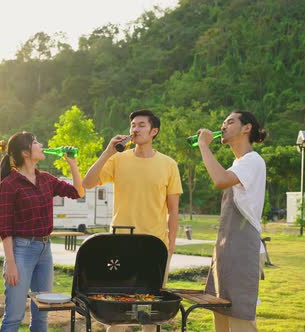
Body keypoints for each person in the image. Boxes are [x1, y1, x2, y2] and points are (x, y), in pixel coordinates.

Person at [82, 109, 182, 332]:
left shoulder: (169, 164)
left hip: (155, 244)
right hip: (120, 242)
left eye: (141, 125)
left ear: (154, 131)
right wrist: (107, 152)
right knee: (119, 309)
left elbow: (173, 210)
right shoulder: (117, 159)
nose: (135, 129)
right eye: (133, 125)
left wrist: (171, 244)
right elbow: (87, 183)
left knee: (151, 311)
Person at [0, 131, 85, 332]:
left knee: (42, 315)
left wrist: (73, 164)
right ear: (25, 152)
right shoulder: (9, 184)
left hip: (45, 250)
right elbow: (4, 226)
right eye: (36, 142)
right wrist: (10, 263)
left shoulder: (46, 179)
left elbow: (78, 192)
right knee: (14, 316)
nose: (41, 144)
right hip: (21, 251)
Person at [195, 111, 267, 332]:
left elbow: (220, 180)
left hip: (243, 249)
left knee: (239, 317)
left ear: (246, 128)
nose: (223, 125)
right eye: (223, 122)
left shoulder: (252, 160)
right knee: (222, 313)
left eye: (230, 121)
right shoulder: (238, 163)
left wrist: (204, 146)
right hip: (227, 250)